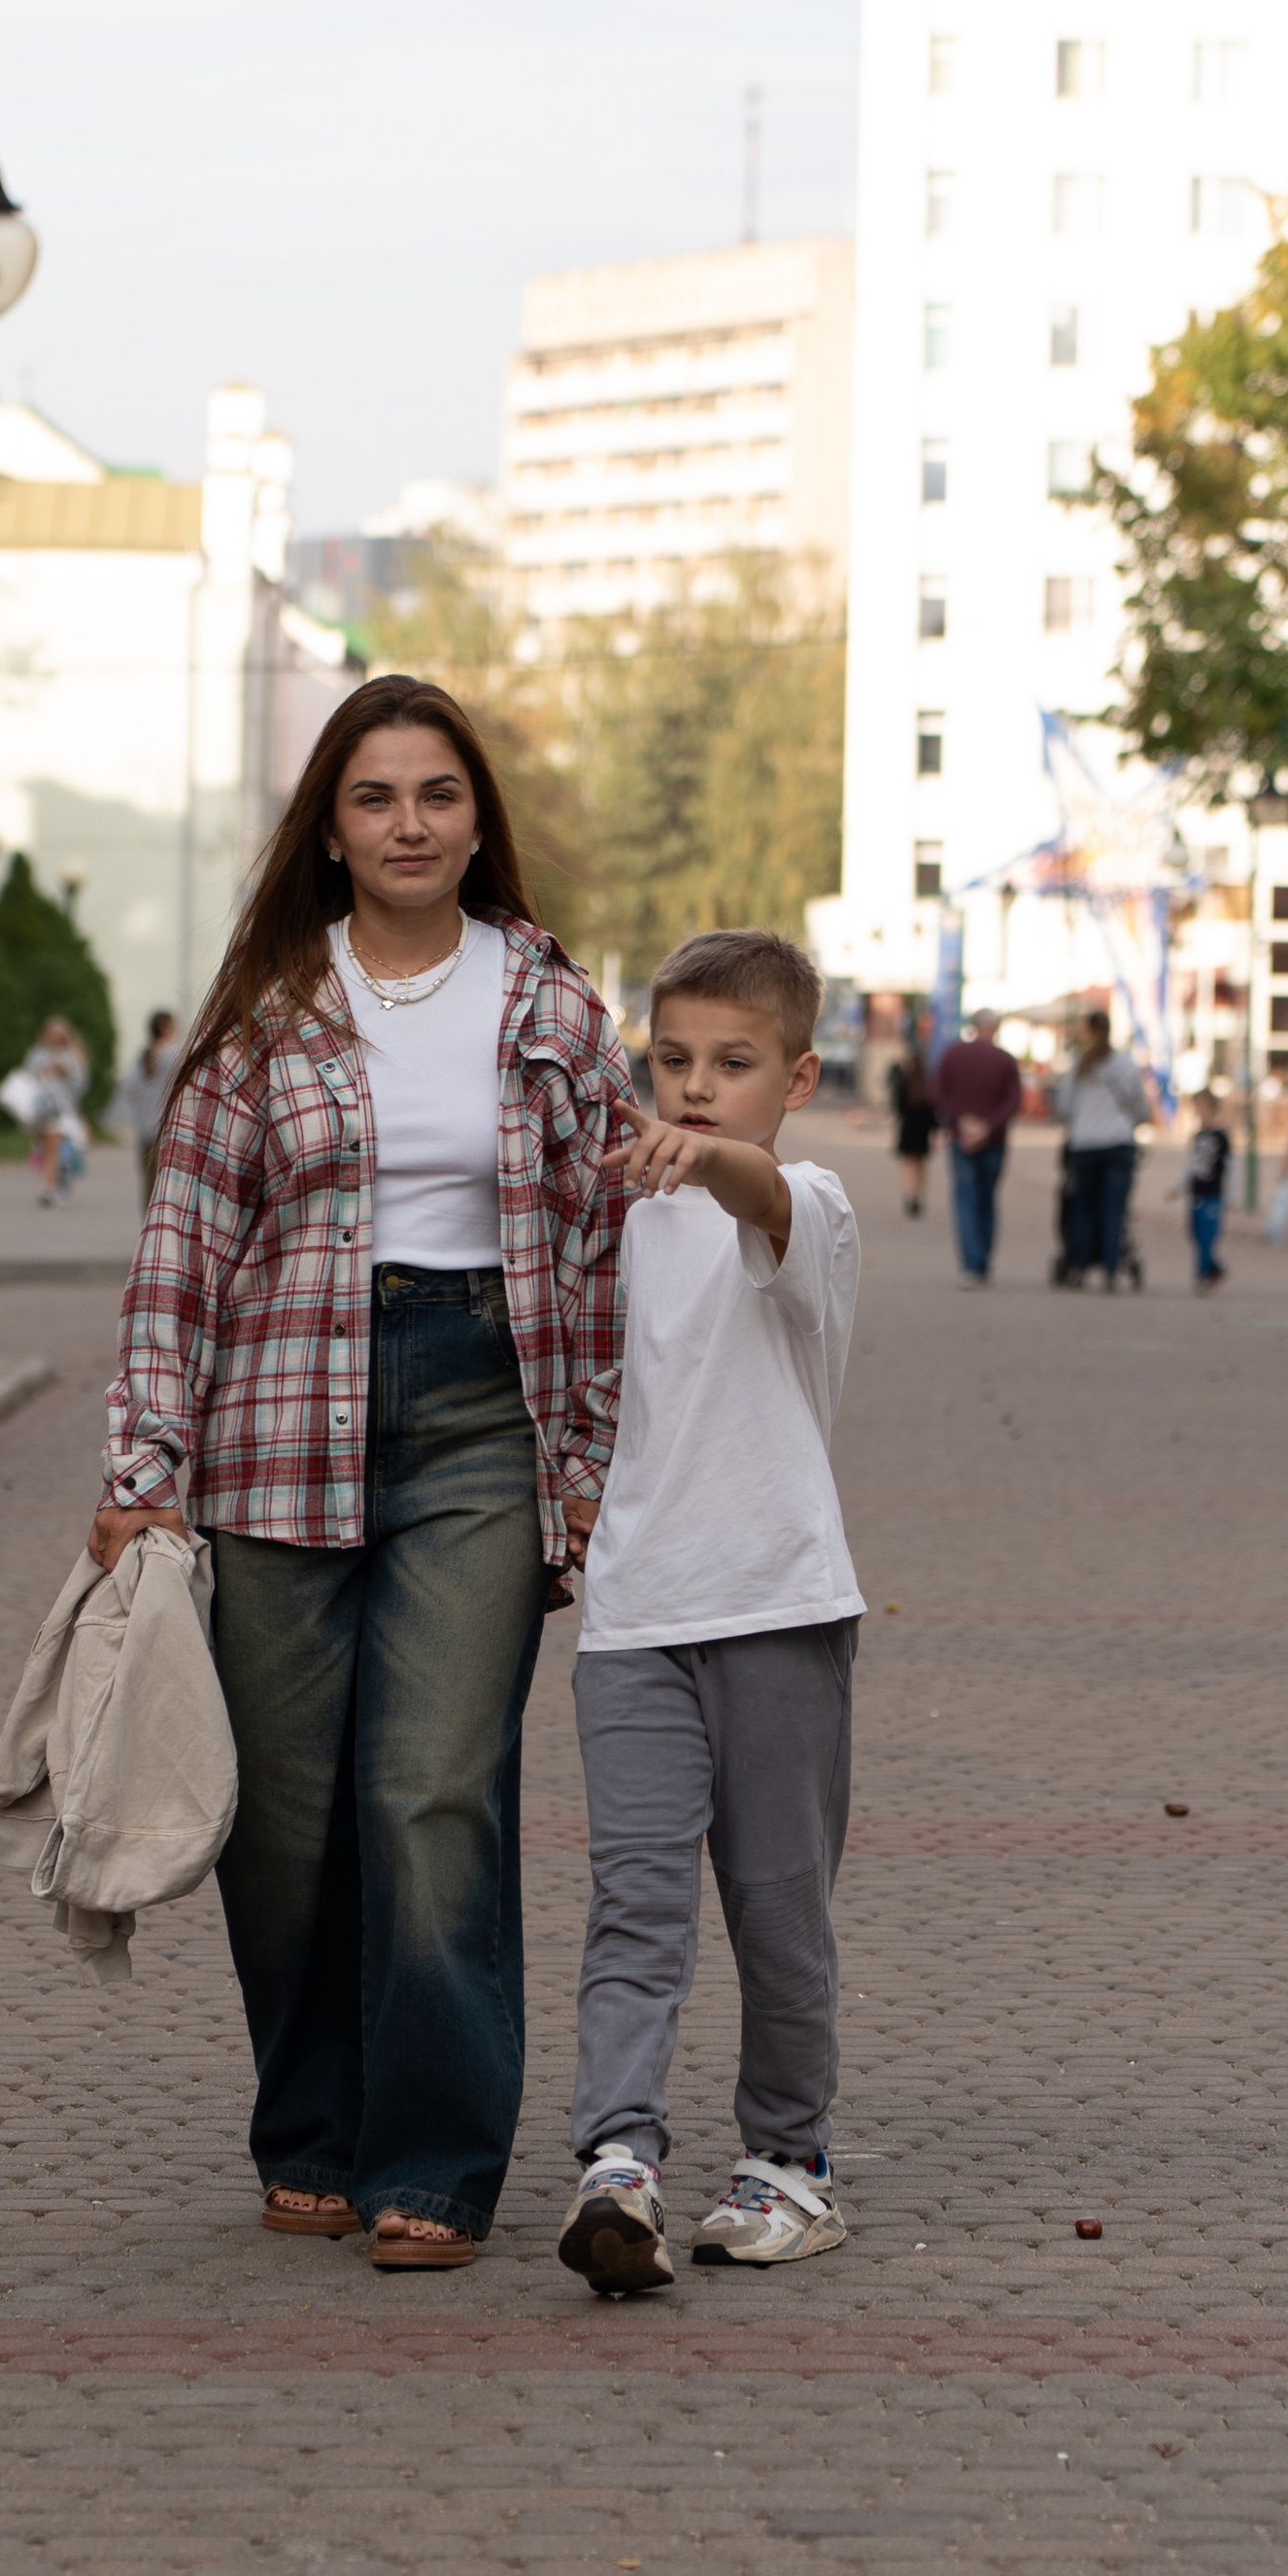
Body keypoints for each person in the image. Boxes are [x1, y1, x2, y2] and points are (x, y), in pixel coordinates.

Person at [90, 672, 629, 2272]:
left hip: (483, 1418)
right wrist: (142, 1462)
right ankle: (312, 2126)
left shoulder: (554, 1010)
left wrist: (588, 1468)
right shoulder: (267, 1013)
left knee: (431, 1794)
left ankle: (436, 2159)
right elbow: (180, 1252)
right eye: (377, 798)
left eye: (439, 796)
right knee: (288, 1818)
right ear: (328, 829)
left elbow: (605, 1262)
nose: (410, 823)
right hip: (276, 1421)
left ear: (480, 824)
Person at [556, 928, 864, 2296]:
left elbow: (756, 1192)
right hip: (632, 1617)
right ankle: (616, 2163)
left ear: (795, 1076)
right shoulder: (619, 1215)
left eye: (734, 1066)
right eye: (672, 1061)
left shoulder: (808, 1204)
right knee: (636, 1906)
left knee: (779, 1908)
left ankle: (788, 2166)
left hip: (782, 1607)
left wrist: (717, 1156)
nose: (697, 1089)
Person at [1055, 1009, 1151, 1289]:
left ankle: (1080, 1267)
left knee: (1082, 1207)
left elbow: (1064, 1108)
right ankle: (1111, 1268)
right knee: (1115, 1209)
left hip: (1085, 1144)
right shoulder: (1125, 1064)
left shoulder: (1079, 1065)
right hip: (1118, 1143)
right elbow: (1141, 1108)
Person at [931, 1007, 1022, 1285]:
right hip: (994, 1140)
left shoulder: (952, 1054)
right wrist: (987, 1126)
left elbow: (936, 1092)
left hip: (961, 1139)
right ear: (994, 1028)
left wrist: (963, 1121)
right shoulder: (1005, 1060)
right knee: (987, 1200)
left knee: (966, 1199)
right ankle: (982, 1261)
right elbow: (1013, 1101)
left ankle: (971, 1264)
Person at [12, 1017, 88, 1204]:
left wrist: (66, 1071)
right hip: (39, 1110)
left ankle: (48, 1188)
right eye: (52, 1034)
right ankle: (55, 1181)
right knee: (45, 1150)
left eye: (59, 1035)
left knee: (53, 1148)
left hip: (61, 1111)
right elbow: (27, 1078)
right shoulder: (36, 1054)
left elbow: (81, 1086)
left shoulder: (71, 1056)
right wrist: (47, 1071)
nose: (55, 1038)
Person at [112, 1007, 183, 1203]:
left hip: (145, 1130)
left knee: (149, 1183)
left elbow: (129, 1091)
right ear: (165, 1027)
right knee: (170, 1185)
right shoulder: (175, 1055)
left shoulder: (142, 1057)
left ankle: (148, 1227)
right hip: (170, 1129)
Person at [1185, 1091, 1232, 1291]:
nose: (1199, 1110)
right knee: (1195, 1234)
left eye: (1202, 1106)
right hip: (1196, 1193)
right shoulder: (1196, 1136)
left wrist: (1233, 1196)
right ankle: (1214, 1269)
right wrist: (1179, 1186)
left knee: (1207, 1237)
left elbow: (1232, 1166)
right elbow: (1189, 1165)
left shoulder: (1221, 1137)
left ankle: (1203, 1275)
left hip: (1214, 1195)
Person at [887, 1033, 936, 1216]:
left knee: (908, 1163)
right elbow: (934, 1110)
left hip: (908, 1127)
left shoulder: (904, 1080)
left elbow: (896, 1105)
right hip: (923, 1129)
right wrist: (935, 1130)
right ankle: (920, 1195)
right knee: (922, 1164)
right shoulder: (927, 1082)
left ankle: (909, 1196)